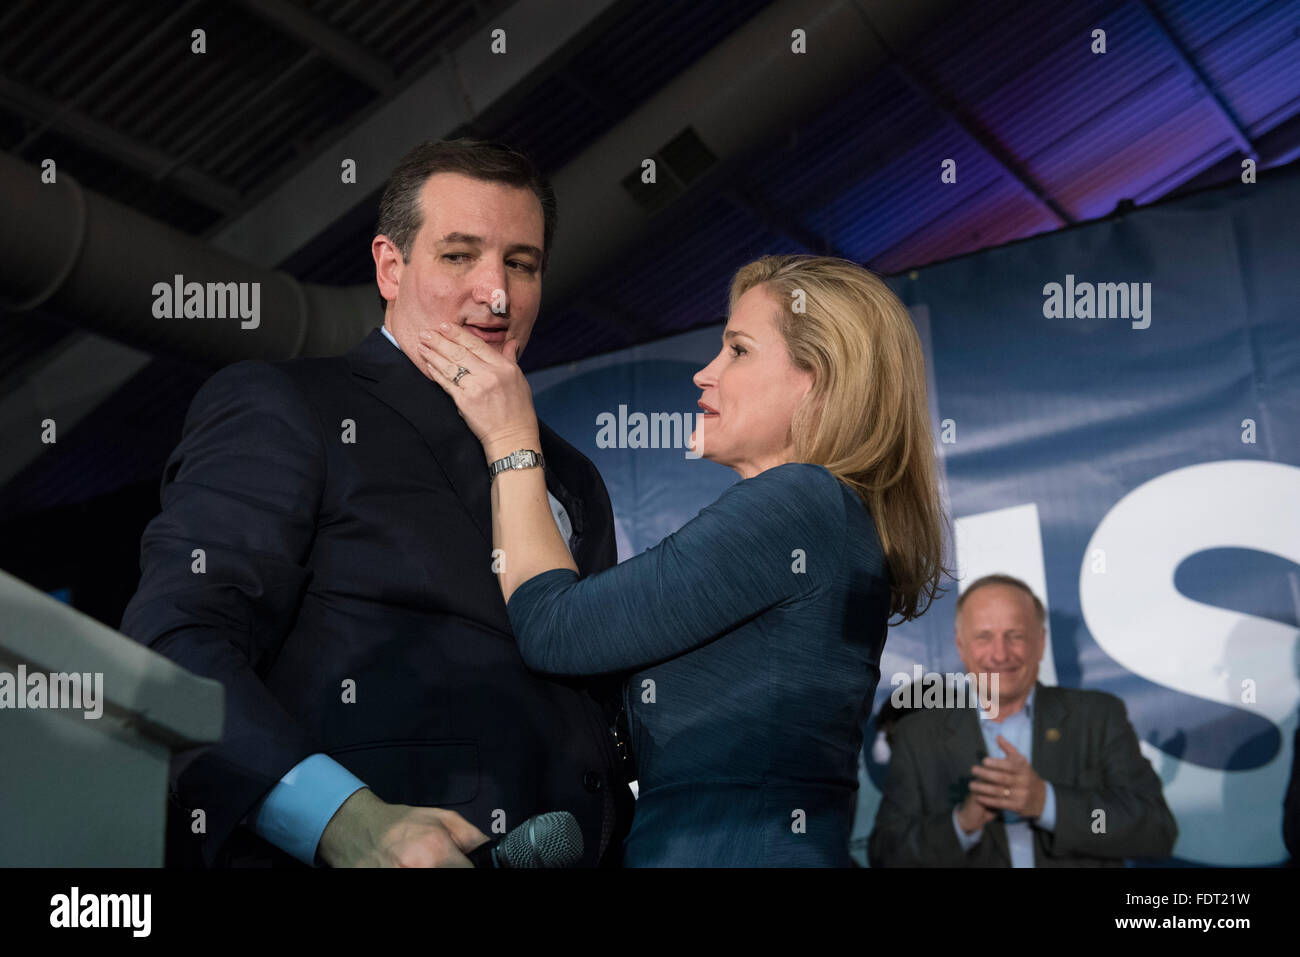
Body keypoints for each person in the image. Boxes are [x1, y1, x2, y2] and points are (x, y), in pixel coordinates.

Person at [120, 139, 632, 868]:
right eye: (460, 255)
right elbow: (175, 640)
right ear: (391, 267)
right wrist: (343, 819)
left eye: (522, 263)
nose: (497, 292)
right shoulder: (290, 406)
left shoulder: (573, 475)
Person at [416, 254, 948, 866]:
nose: (705, 373)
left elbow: (554, 627)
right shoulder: (827, 516)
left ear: (819, 378)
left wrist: (511, 439)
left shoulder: (801, 503)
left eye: (739, 351)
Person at [868, 574, 1178, 867]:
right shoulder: (919, 735)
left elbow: (1154, 830)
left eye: (1014, 636)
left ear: (1040, 642)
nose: (1000, 654)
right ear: (961, 646)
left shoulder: (1098, 717)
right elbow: (887, 855)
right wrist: (961, 824)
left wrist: (1049, 804)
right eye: (984, 637)